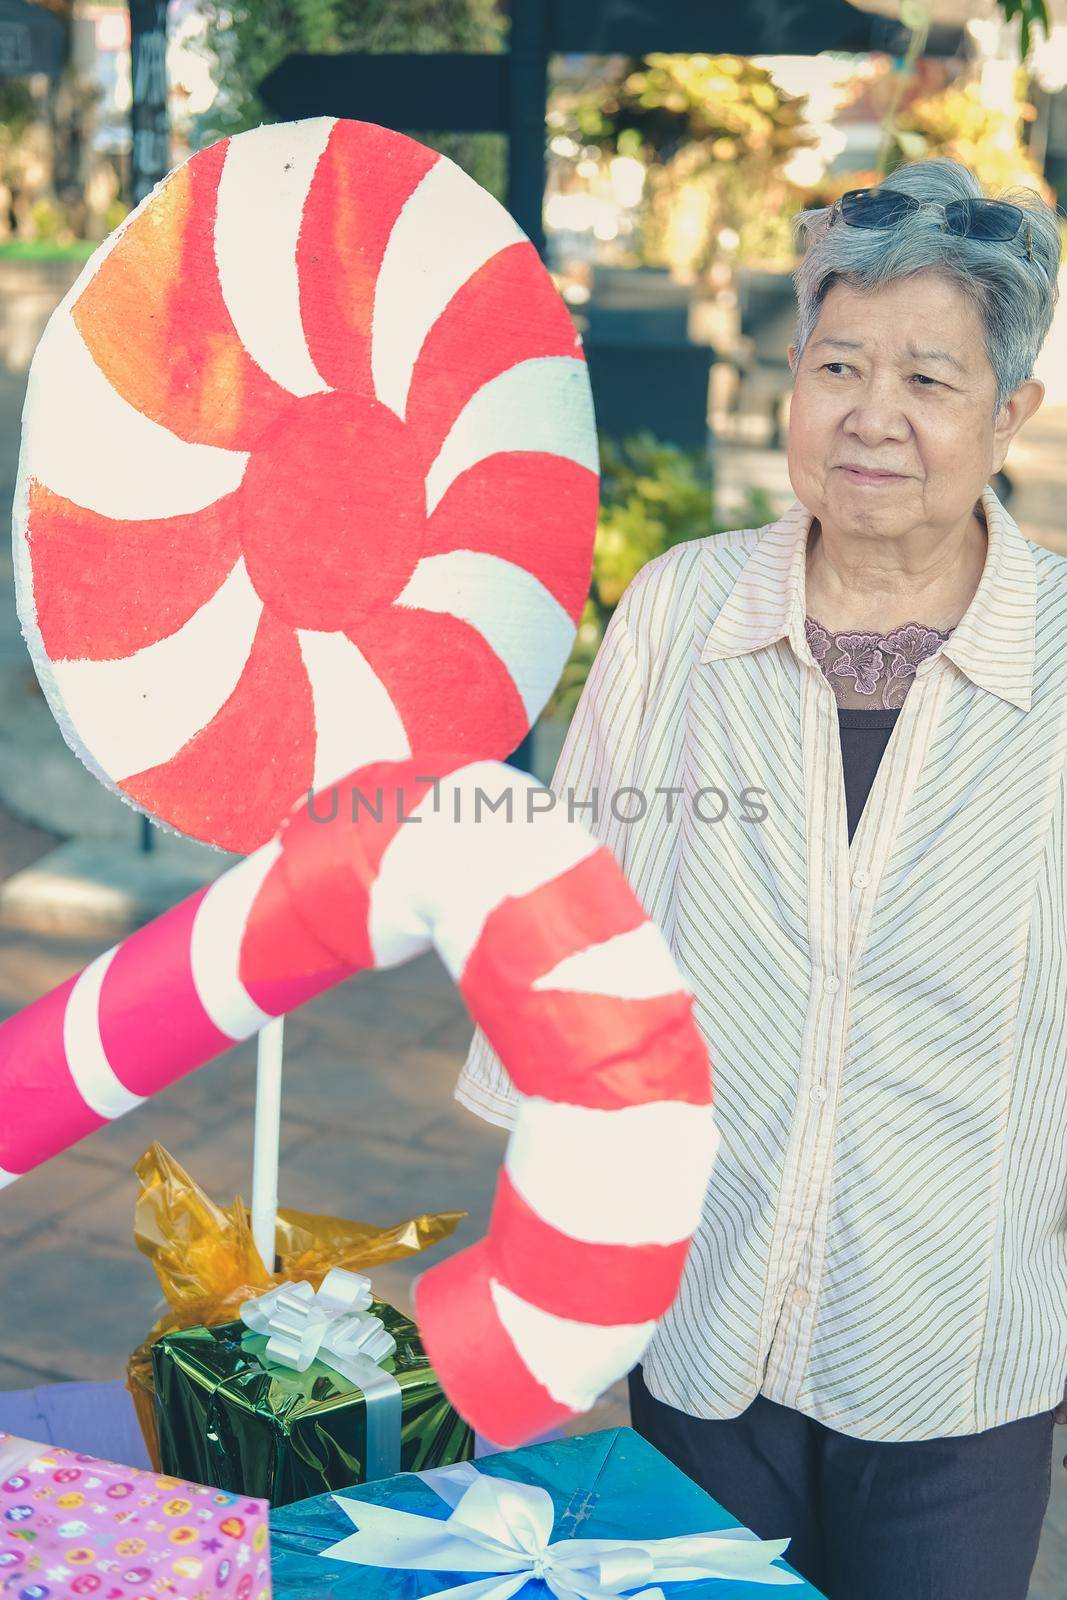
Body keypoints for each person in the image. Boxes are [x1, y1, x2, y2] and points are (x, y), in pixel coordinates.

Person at [454, 157, 1067, 1599]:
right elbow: (564, 944)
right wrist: (535, 1283)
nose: (875, 418)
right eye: (838, 365)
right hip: (698, 1324)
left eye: (929, 378)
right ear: (787, 382)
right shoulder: (681, 609)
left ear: (1010, 414)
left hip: (959, 1356)